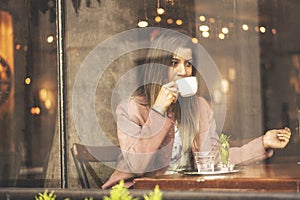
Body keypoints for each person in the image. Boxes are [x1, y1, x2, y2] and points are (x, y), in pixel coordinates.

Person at [101, 29, 291, 189]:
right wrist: (158, 109)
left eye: (188, 64)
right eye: (174, 63)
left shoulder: (200, 107)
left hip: (185, 191)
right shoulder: (131, 108)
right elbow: (137, 165)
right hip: (140, 193)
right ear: (157, 67)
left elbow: (214, 158)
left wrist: (263, 143)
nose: (183, 71)